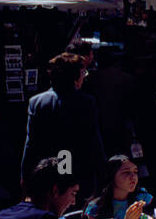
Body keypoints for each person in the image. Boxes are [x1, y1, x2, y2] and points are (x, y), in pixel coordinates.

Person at [22, 52, 106, 201]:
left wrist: (25, 175)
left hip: (48, 172)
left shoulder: (37, 102)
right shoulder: (86, 102)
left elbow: (31, 144)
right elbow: (93, 141)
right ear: (74, 77)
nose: (83, 78)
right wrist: (102, 172)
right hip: (79, 171)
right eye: (82, 73)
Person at [86, 155, 153, 219]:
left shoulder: (140, 196)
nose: (133, 177)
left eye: (135, 172)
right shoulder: (96, 208)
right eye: (126, 172)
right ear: (112, 176)